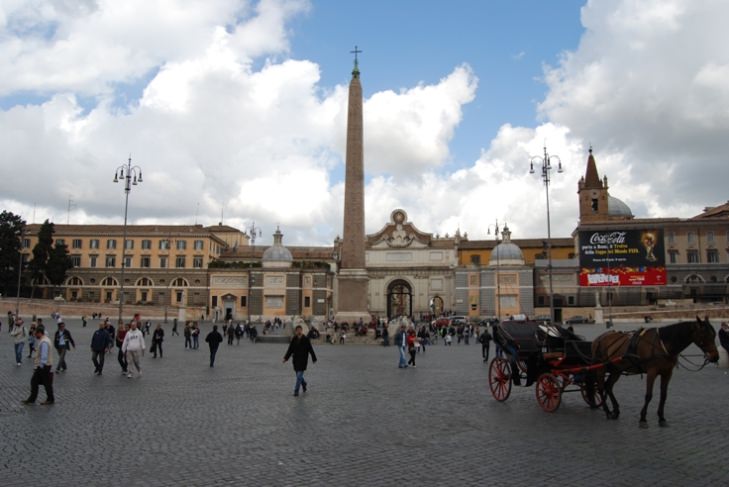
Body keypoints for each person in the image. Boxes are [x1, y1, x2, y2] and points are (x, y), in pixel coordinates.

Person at [22, 324, 54, 405]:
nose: (35, 335)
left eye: (35, 334)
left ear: (40, 333)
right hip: (44, 365)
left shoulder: (44, 342)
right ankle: (33, 399)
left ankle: (49, 399)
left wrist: (40, 366)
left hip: (43, 366)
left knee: (43, 383)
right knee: (36, 382)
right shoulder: (45, 340)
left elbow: (44, 356)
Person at [282, 325, 317, 396]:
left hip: (303, 360)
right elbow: (290, 350)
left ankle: (296, 391)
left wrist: (314, 358)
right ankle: (304, 383)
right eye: (297, 330)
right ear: (296, 331)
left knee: (298, 376)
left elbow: (310, 349)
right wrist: (285, 358)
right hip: (295, 360)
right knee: (299, 376)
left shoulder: (306, 339)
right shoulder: (294, 339)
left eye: (300, 330)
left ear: (302, 330)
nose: (299, 331)